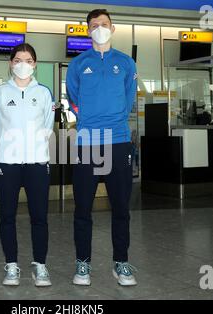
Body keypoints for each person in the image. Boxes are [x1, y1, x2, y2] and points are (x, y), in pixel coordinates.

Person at [66, 9, 138, 286]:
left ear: (113, 28)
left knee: (121, 208)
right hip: (87, 143)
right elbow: (72, 97)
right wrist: (88, 119)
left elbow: (129, 98)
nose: (99, 28)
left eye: (104, 24)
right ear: (87, 30)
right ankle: (82, 264)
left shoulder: (126, 62)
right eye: (94, 25)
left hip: (119, 141)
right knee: (83, 208)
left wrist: (114, 118)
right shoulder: (78, 64)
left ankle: (121, 263)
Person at [0, 43, 55, 287]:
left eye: (27, 60)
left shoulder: (44, 93)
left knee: (40, 216)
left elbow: (48, 126)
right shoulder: (0, 93)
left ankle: (40, 265)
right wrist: (11, 146)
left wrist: (34, 146)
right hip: (8, 162)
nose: (22, 64)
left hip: (37, 162)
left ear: (35, 64)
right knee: (7, 215)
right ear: (10, 63)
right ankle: (12, 265)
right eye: (17, 60)